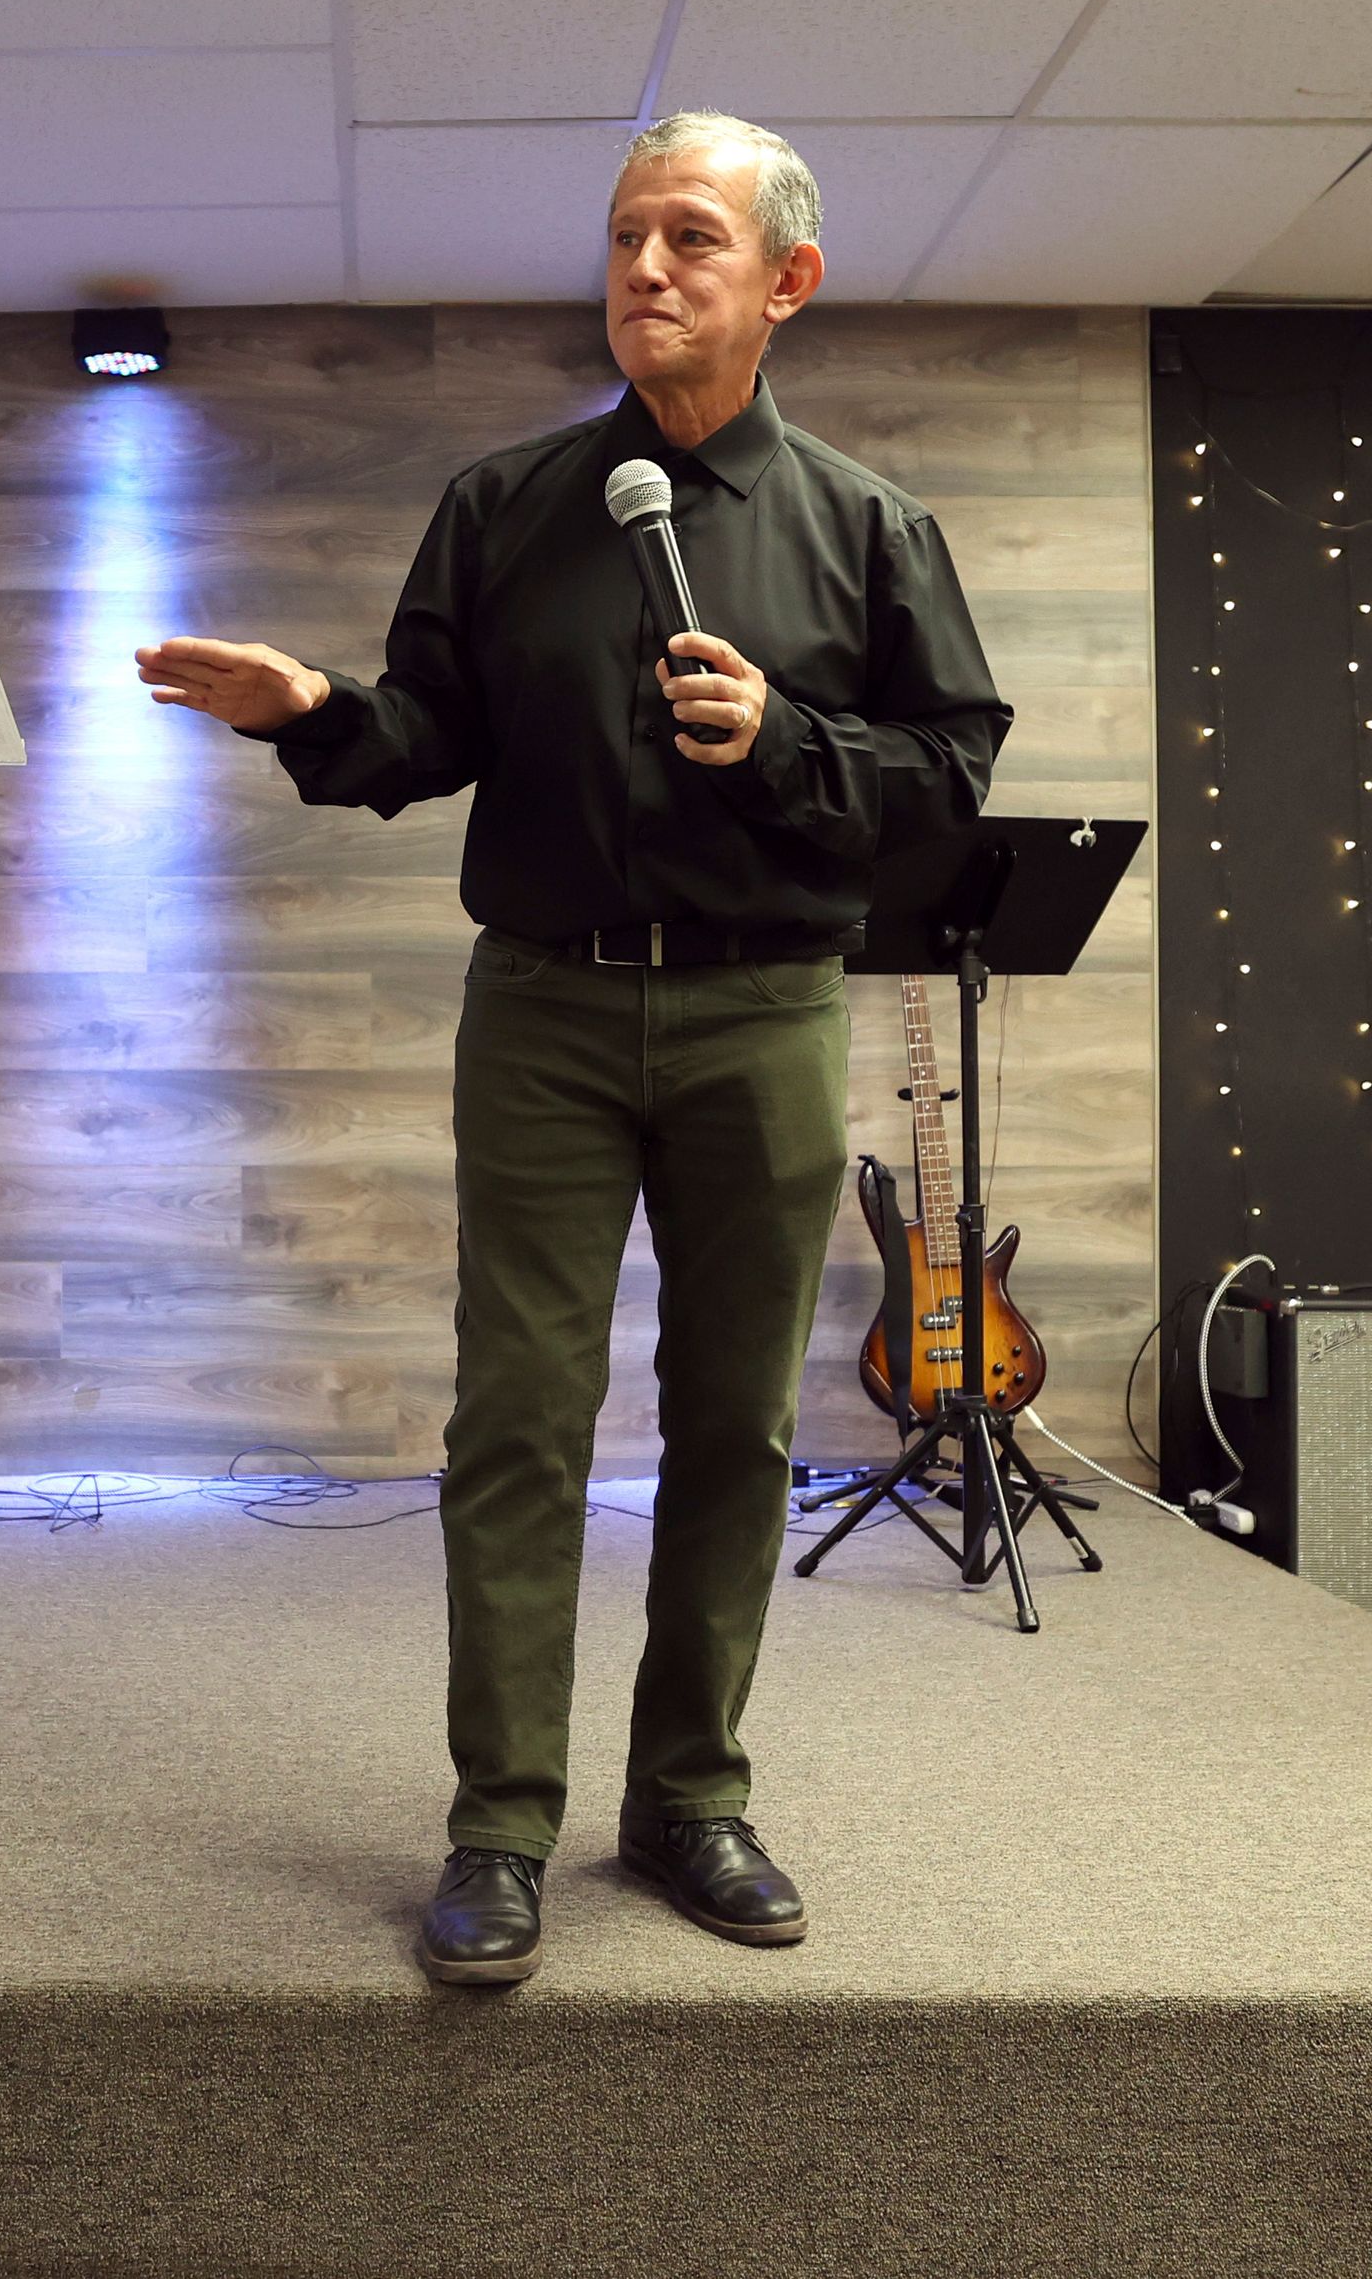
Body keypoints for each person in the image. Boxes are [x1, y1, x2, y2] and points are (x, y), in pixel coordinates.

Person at [136, 112, 1012, 1985]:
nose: (643, 267)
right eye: (624, 236)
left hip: (765, 1010)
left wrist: (785, 738)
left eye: (690, 236)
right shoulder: (507, 502)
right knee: (515, 1422)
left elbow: (947, 787)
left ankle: (689, 1793)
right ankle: (500, 1822)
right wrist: (315, 712)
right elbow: (425, 733)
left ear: (786, 282)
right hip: (539, 1006)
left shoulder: (868, 526)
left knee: (738, 1418)